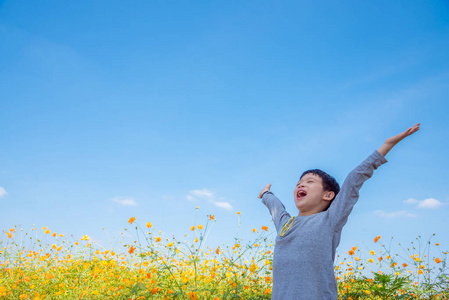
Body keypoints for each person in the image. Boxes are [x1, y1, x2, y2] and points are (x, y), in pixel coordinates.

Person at [258, 123, 420, 300]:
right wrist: (266, 194)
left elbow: (354, 179)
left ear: (328, 195)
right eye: (299, 183)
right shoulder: (286, 224)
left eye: (310, 182)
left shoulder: (330, 219)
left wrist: (386, 146)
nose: (301, 184)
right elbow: (276, 207)